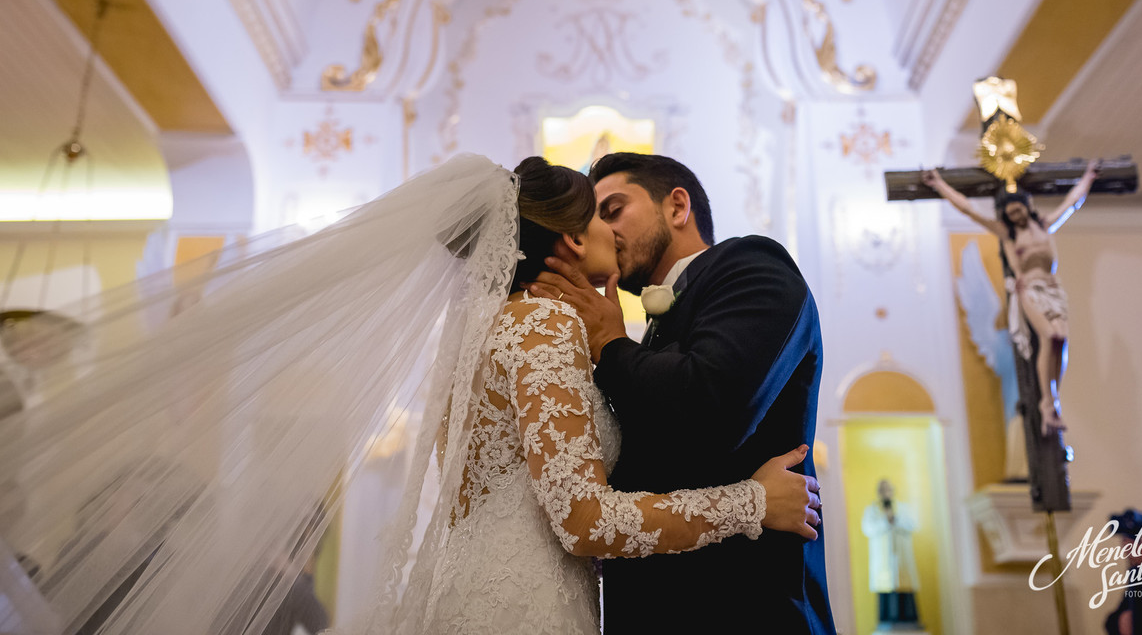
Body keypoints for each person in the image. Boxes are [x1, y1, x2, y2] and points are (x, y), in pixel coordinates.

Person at [0, 154, 820, 635]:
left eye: (618, 210)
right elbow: (583, 520)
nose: (612, 231)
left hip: (493, 589)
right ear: (570, 242)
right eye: (599, 216)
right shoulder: (545, 329)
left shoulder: (487, 335)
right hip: (526, 606)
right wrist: (750, 502)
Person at [528, 152, 837, 633]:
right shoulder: (644, 333)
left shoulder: (752, 267)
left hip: (745, 609)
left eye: (613, 210)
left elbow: (712, 406)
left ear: (677, 206)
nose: (604, 230)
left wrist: (611, 344)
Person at [922, 160, 1099, 434]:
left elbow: (1071, 203)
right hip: (1029, 289)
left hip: (1053, 289)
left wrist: (1088, 177)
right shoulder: (1008, 234)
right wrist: (939, 185)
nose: (1016, 215)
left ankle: (1053, 399)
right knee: (1049, 335)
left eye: (1018, 209)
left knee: (1061, 339)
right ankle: (1047, 401)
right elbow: (969, 209)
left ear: (1026, 206)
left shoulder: (1044, 225)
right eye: (1011, 212)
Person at [861, 479, 921, 631]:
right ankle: (887, 620)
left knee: (905, 587)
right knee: (885, 588)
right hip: (883, 561)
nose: (885, 492)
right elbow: (867, 528)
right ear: (878, 492)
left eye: (888, 488)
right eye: (882, 489)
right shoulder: (872, 510)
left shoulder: (903, 508)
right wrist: (886, 521)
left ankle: (908, 620)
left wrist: (895, 519)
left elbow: (913, 524)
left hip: (902, 559)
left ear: (893, 490)